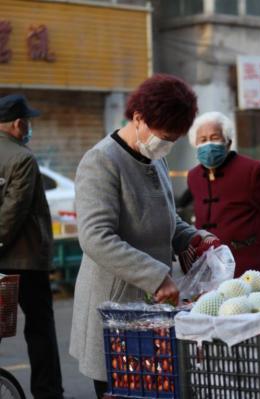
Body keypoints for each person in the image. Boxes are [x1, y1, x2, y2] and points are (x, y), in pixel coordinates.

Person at [69, 75, 218, 399]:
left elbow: (167, 218)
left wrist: (195, 239)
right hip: (115, 311)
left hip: (152, 308)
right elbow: (95, 237)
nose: (166, 145)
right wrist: (156, 276)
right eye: (164, 137)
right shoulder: (102, 161)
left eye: (174, 139)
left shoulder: (155, 157)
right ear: (138, 118)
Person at [0, 94, 65, 399]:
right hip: (25, 260)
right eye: (27, 122)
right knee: (40, 330)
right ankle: (47, 393)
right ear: (17, 123)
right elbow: (13, 211)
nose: (28, 129)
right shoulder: (22, 158)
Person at [187, 112, 260, 277]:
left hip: (253, 265)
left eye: (215, 138)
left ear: (228, 143)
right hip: (213, 268)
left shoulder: (252, 170)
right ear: (195, 144)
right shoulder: (194, 176)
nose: (209, 144)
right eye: (203, 140)